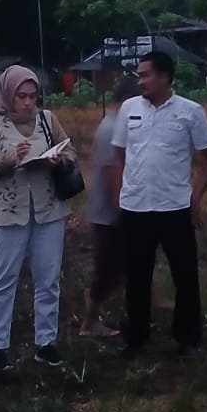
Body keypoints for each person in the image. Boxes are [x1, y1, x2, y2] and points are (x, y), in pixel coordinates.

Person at [114, 50, 207, 358]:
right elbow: (120, 152)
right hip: (136, 207)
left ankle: (188, 339)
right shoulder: (129, 109)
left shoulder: (190, 111)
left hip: (175, 207)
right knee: (137, 275)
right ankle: (136, 337)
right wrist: (124, 187)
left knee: (184, 275)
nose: (140, 81)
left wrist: (195, 196)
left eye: (145, 75)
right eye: (139, 75)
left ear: (164, 77)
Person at [0, 65, 77, 371]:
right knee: (3, 279)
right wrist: (13, 158)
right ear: (8, 95)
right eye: (21, 96)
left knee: (48, 278)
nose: (28, 102)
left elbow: (70, 150)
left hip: (49, 208)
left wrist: (59, 159)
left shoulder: (47, 119)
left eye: (33, 96)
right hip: (10, 211)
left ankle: (46, 342)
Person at [79, 76, 139, 338]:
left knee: (131, 261)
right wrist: (120, 209)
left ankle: (156, 303)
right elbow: (110, 171)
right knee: (109, 270)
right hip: (109, 213)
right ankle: (89, 322)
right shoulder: (111, 129)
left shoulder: (115, 125)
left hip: (113, 209)